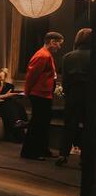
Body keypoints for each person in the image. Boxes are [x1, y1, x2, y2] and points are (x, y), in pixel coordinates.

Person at [21, 31, 64, 160]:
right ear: (52, 42)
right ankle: (30, 152)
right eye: (59, 44)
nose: (59, 47)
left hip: (45, 95)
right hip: (39, 95)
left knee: (43, 123)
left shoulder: (46, 55)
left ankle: (42, 149)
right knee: (37, 123)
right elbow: (31, 76)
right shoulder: (42, 55)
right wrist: (27, 92)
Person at [57, 28, 91, 166]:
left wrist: (67, 93)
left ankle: (63, 154)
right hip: (90, 95)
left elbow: (65, 80)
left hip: (73, 94)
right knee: (89, 127)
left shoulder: (68, 56)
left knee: (69, 125)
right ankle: (85, 157)